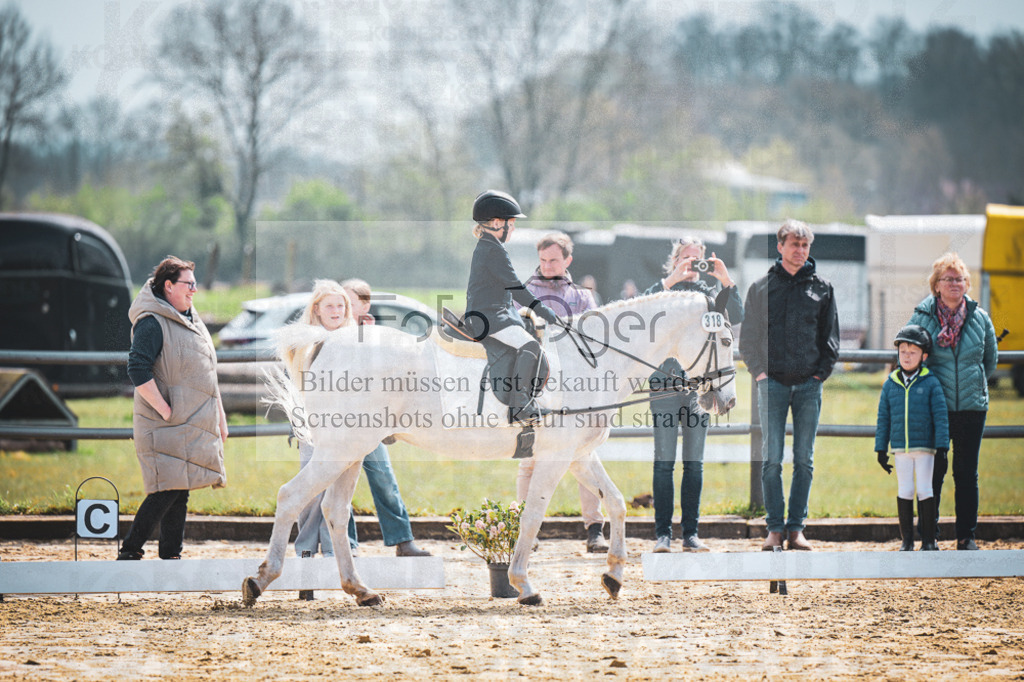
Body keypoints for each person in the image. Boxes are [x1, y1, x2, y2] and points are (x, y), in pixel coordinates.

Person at [292, 279, 431, 564]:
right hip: (320, 424)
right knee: (315, 489)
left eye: (344, 305)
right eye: (333, 305)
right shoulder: (309, 340)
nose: (340, 310)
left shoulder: (361, 336)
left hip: (364, 423)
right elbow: (296, 383)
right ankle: (311, 549)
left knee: (381, 478)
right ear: (317, 309)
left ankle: (393, 540)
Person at [739, 219, 839, 551]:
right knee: (771, 461)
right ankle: (774, 530)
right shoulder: (761, 288)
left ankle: (796, 530)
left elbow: (830, 340)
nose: (800, 250)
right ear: (780, 246)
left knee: (804, 461)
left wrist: (819, 375)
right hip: (772, 386)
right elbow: (747, 340)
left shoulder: (823, 289)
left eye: (805, 245)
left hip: (809, 386)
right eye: (794, 244)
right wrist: (760, 375)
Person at [119, 256, 228, 560]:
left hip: (188, 423)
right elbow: (137, 369)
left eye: (195, 283)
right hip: (165, 424)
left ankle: (170, 554)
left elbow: (209, 373)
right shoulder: (152, 322)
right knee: (167, 490)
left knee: (180, 489)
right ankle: (130, 550)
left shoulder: (191, 318)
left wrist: (219, 416)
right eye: (188, 284)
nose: (194, 289)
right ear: (168, 286)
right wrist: (167, 411)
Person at [643, 238, 744, 553]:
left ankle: (690, 534)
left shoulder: (709, 296)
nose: (691, 264)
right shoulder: (663, 292)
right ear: (674, 261)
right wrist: (671, 280)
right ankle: (662, 534)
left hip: (699, 388)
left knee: (694, 463)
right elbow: (640, 308)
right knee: (663, 462)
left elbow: (737, 314)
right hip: (663, 384)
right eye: (685, 258)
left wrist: (726, 280)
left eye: (697, 259)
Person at [515, 232, 608, 552]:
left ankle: (594, 528)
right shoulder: (525, 293)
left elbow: (594, 338)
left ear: (568, 260)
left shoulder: (582, 296)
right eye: (542, 260)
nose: (547, 266)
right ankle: (527, 532)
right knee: (530, 459)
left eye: (553, 260)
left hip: (575, 389)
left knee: (584, 456)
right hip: (538, 388)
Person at [907, 253, 998, 551]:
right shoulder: (922, 317)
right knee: (933, 471)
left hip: (972, 407)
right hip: (935, 407)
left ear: (967, 284)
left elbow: (990, 361)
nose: (955, 284)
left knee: (966, 473)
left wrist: (972, 383)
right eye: (948, 279)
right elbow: (908, 356)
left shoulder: (980, 318)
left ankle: (966, 536)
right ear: (936, 285)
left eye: (960, 279)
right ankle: (928, 536)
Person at [464, 190, 560, 425]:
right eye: (512, 223)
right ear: (497, 223)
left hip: (493, 313)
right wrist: (543, 310)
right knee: (531, 346)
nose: (514, 228)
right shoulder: (493, 250)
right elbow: (516, 288)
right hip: (488, 318)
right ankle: (520, 406)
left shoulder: (489, 245)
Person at [874, 325, 949, 551]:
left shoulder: (931, 382)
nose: (907, 357)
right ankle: (907, 541)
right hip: (900, 449)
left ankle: (928, 541)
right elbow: (883, 418)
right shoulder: (890, 384)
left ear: (924, 356)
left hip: (925, 448)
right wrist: (881, 449)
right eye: (903, 352)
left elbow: (941, 416)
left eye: (913, 352)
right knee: (904, 490)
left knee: (925, 490)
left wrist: (942, 447)